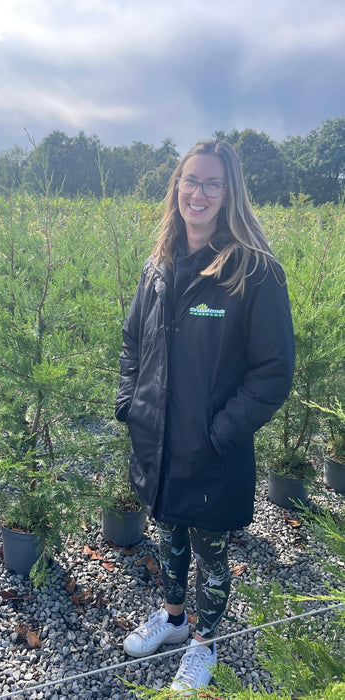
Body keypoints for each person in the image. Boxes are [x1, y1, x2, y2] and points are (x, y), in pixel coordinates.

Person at [115, 140, 295, 693]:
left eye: (212, 183)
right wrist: (131, 404)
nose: (198, 193)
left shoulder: (254, 272)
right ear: (177, 187)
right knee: (168, 534)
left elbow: (272, 372)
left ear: (230, 192)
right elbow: (131, 345)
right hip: (160, 443)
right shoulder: (159, 266)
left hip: (214, 450)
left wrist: (222, 431)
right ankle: (172, 620)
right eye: (190, 180)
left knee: (210, 551)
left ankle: (203, 644)